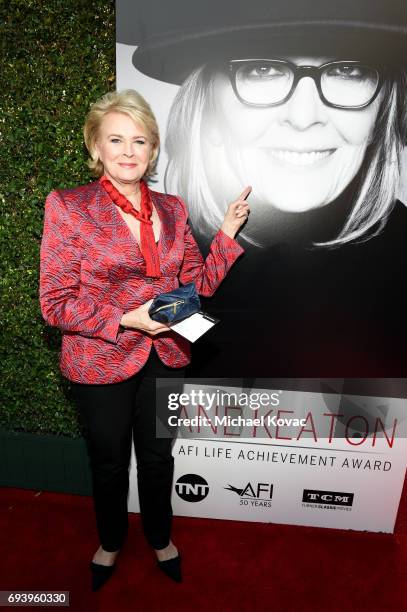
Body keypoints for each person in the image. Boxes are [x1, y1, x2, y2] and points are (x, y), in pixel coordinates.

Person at [117, 0, 407, 376]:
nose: (304, 118)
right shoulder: (157, 245)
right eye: (262, 69)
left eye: (348, 70)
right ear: (210, 110)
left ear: (383, 109)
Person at [39, 89, 249, 590]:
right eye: (116, 139)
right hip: (101, 359)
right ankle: (110, 542)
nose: (129, 151)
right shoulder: (70, 207)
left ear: (153, 150)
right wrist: (127, 319)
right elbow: (55, 302)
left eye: (140, 140)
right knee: (109, 462)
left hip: (168, 354)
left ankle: (160, 537)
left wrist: (225, 232)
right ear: (97, 146)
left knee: (158, 457)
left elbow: (195, 286)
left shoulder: (173, 209)